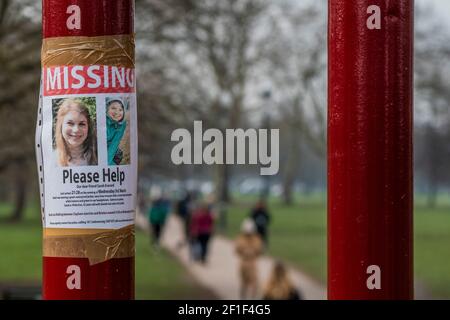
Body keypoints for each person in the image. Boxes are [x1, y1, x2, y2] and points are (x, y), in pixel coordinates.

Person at [54, 99, 97, 167]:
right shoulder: (52, 160)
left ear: (88, 127)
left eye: (82, 124)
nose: (76, 130)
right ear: (61, 125)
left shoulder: (97, 158)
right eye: (70, 123)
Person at [235, 219, 263, 300]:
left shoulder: (256, 238)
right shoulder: (240, 238)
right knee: (244, 283)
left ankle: (253, 298)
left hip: (252, 263)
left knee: (255, 283)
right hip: (243, 263)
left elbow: (259, 250)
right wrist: (245, 251)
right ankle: (243, 298)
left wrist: (252, 252)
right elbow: (237, 249)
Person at [106, 97, 127, 165]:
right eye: (113, 108)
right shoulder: (102, 121)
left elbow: (114, 143)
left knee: (117, 155)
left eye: (120, 109)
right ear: (106, 109)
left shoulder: (122, 124)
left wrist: (107, 164)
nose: (117, 112)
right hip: (96, 149)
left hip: (109, 151)